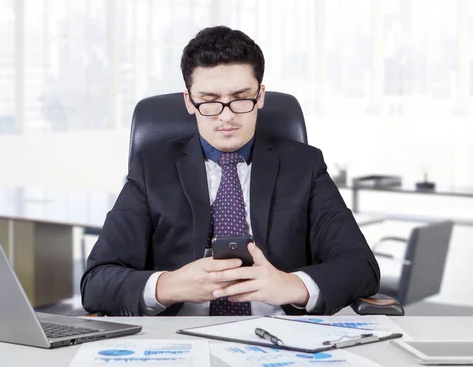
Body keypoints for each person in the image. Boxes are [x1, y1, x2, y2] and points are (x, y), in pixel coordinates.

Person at [81, 26, 379, 316]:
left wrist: (290, 285)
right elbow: (96, 281)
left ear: (260, 96)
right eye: (209, 101)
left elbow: (360, 266)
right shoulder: (151, 168)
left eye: (240, 99)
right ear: (189, 101)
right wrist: (170, 286)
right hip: (180, 341)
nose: (226, 117)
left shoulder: (304, 165)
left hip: (280, 337)